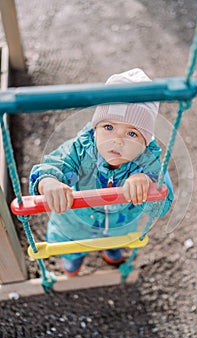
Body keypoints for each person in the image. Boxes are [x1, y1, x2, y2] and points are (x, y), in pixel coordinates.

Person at [29, 68, 174, 276]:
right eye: (108, 127)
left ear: (145, 142)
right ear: (95, 128)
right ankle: (73, 260)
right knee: (72, 249)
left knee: (116, 243)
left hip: (119, 227)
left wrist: (146, 182)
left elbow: (161, 205)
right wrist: (49, 182)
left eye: (132, 133)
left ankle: (112, 251)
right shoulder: (81, 149)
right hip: (75, 225)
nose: (118, 140)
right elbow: (53, 165)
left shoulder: (147, 162)